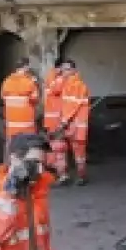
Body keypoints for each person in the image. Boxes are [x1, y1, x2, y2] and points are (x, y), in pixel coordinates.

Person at [43, 58, 91, 186]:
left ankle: (81, 176)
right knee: (60, 148)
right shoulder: (66, 83)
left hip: (73, 124)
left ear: (74, 70)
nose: (65, 72)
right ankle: (64, 175)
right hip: (66, 124)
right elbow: (53, 91)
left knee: (78, 151)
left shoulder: (76, 85)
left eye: (68, 69)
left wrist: (63, 122)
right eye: (63, 69)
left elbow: (71, 106)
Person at [0, 60, 41, 146]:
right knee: (26, 149)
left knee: (12, 148)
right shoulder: (29, 82)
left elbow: (3, 98)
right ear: (26, 67)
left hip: (11, 125)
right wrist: (36, 84)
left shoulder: (6, 81)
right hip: (26, 126)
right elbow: (35, 99)